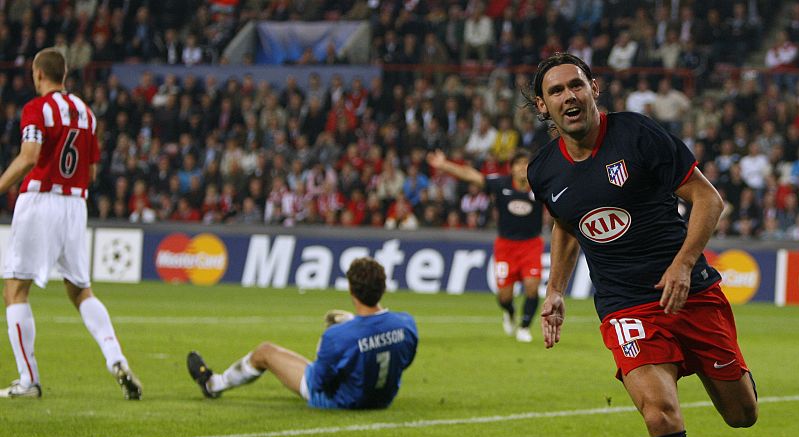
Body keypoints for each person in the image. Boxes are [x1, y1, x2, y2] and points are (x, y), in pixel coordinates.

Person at [526, 53, 757, 437]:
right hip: (625, 306)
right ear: (542, 106)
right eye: (556, 91)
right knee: (659, 413)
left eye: (576, 85)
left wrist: (683, 263)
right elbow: (567, 222)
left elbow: (708, 200)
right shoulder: (543, 169)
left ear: (594, 88)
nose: (568, 96)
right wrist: (555, 289)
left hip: (690, 293)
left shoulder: (637, 135)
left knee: (741, 415)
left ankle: (737, 378)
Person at [0, 48, 142, 400]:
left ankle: (28, 380)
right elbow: (91, 172)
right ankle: (116, 358)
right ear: (64, 75)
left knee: (15, 290)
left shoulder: (37, 109)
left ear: (38, 74)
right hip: (76, 205)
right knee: (80, 291)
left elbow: (29, 157)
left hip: (40, 200)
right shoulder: (87, 114)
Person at [187, 257, 418, 409]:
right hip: (383, 399)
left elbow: (317, 383)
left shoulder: (338, 337)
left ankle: (213, 384)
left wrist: (333, 337)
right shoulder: (406, 324)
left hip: (341, 402)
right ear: (384, 287)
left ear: (351, 290)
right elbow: (401, 361)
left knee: (265, 352)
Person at [427, 149, 543, 342]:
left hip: (531, 245)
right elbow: (471, 175)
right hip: (506, 247)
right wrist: (444, 165)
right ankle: (509, 311)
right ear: (511, 168)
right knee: (504, 297)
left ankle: (524, 327)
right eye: (518, 163)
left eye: (526, 163)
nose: (522, 167)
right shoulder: (501, 184)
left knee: (532, 287)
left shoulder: (540, 186)